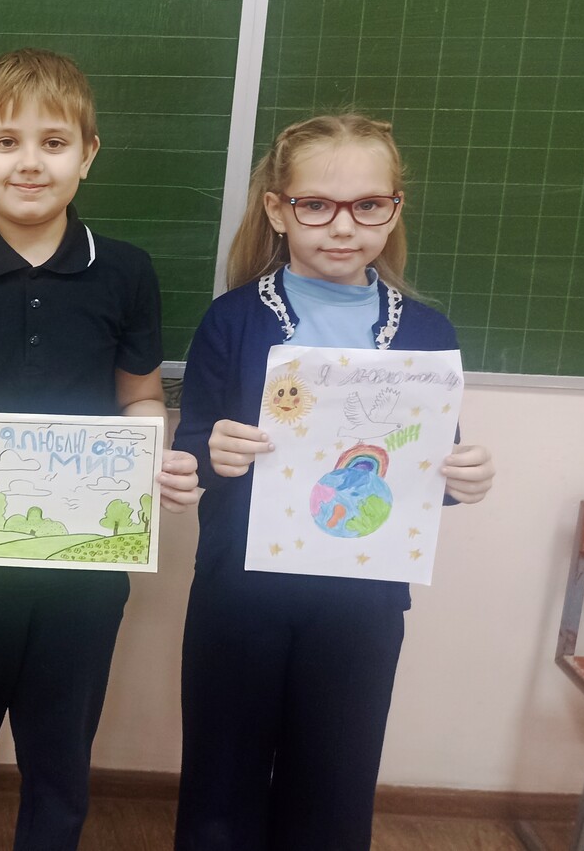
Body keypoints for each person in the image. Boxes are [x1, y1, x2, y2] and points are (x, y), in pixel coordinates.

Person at [0, 48, 201, 851]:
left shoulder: (126, 273)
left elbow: (139, 397)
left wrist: (148, 461)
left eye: (54, 143)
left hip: (82, 564)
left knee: (60, 753)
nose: (29, 162)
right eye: (6, 142)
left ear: (88, 155)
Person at [174, 113, 497, 851]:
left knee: (335, 784)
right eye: (316, 205)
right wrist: (213, 451)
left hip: (362, 604)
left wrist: (464, 476)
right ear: (277, 209)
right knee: (222, 780)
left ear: (394, 208)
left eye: (368, 205)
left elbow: (428, 466)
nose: (343, 227)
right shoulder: (231, 322)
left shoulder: (427, 332)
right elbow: (192, 450)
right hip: (240, 594)